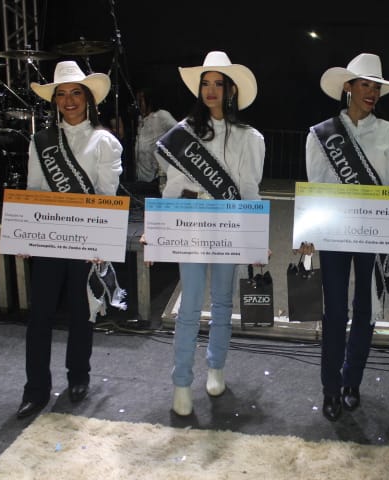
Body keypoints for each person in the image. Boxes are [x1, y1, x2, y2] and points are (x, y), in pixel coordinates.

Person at [297, 53, 389, 421]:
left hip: (372, 238)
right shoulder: (321, 134)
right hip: (334, 235)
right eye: (365, 84)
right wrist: (308, 236)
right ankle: (330, 388)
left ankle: (352, 383)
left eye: (376, 86)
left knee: (365, 313)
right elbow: (316, 188)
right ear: (348, 87)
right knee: (335, 312)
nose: (372, 92)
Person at [153, 51, 265, 416]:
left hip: (230, 229)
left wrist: (255, 241)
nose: (211, 90)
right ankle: (181, 382)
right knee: (189, 306)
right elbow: (172, 187)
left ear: (230, 89)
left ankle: (216, 368)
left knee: (221, 304)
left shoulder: (249, 138)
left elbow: (249, 191)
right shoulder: (181, 135)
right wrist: (157, 231)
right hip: (191, 226)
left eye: (218, 83)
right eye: (206, 83)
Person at [15, 60, 124, 419]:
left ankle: (79, 376)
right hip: (50, 239)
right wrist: (28, 235)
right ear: (55, 101)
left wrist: (101, 245)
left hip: (87, 242)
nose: (68, 100)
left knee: (82, 313)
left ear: (88, 98)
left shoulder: (104, 141)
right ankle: (36, 389)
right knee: (40, 316)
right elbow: (34, 190)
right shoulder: (41, 141)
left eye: (75, 92)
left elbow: (108, 195)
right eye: (61, 94)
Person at [133, 87, 177, 195]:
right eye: (137, 100)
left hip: (156, 179)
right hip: (141, 178)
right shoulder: (141, 119)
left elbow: (180, 132)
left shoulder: (161, 115)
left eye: (141, 100)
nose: (138, 104)